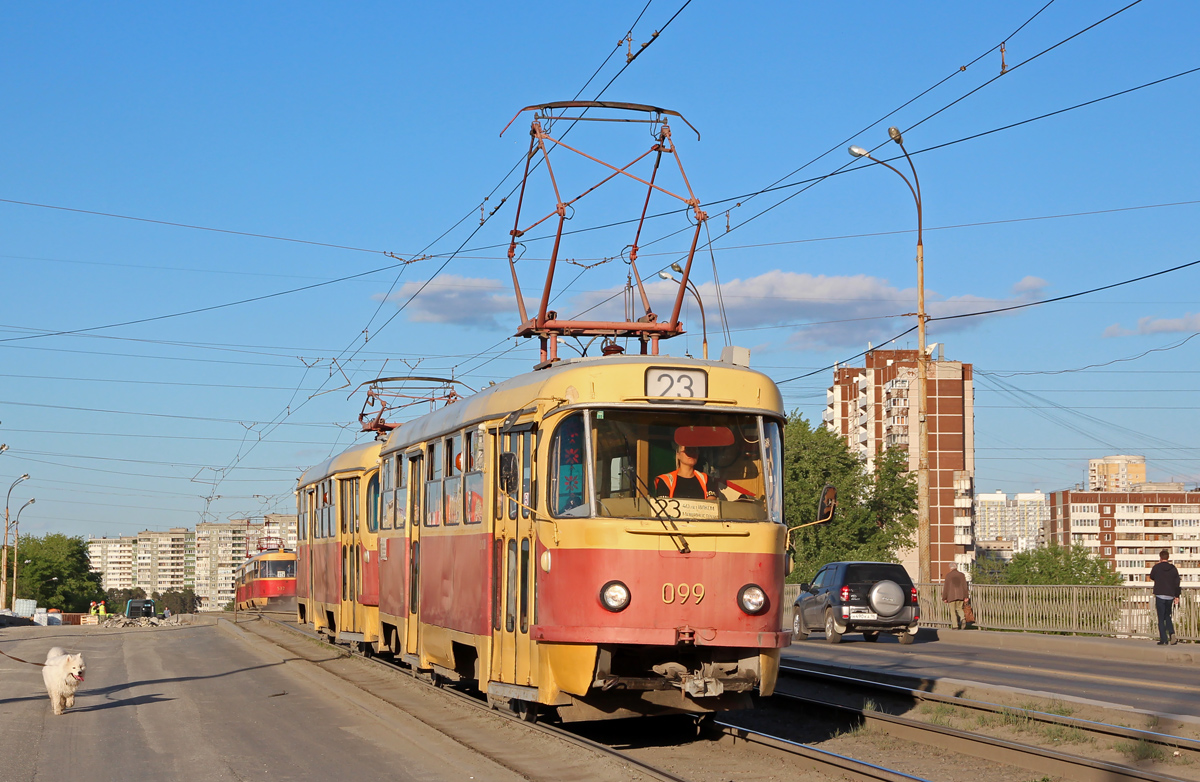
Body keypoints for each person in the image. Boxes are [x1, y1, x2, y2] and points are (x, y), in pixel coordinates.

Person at [1150, 548, 1181, 645]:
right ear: (1168, 558)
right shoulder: (1173, 568)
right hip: (1170, 596)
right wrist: (1176, 596)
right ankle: (1172, 633)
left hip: (1160, 595)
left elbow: (1152, 576)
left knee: (1161, 618)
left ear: (1160, 557)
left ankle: (1164, 639)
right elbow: (1177, 582)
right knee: (1168, 616)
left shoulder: (1157, 567)